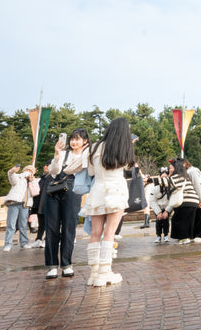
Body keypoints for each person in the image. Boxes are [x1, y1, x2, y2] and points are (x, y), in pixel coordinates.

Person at [80, 117, 135, 286]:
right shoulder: (125, 148)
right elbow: (129, 168)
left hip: (97, 190)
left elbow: (89, 171)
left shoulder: (94, 147)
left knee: (96, 232)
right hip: (116, 190)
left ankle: (94, 274)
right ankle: (105, 273)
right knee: (109, 232)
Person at [43, 130, 88, 279]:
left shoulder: (87, 156)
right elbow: (54, 172)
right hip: (55, 190)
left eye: (77, 139)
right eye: (72, 139)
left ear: (85, 141)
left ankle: (67, 264)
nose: (73, 142)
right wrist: (57, 154)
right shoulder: (64, 154)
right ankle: (52, 266)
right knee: (51, 228)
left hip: (73, 191)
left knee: (69, 228)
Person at [166, 158, 201, 244]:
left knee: (181, 220)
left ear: (176, 169)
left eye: (170, 168)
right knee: (187, 220)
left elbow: (164, 181)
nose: (169, 170)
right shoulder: (184, 176)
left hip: (186, 202)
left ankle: (185, 238)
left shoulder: (177, 177)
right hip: (192, 201)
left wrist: (148, 180)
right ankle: (187, 237)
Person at [2, 164, 34, 252]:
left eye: (31, 171)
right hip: (14, 203)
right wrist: (12, 171)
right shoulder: (19, 178)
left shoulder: (33, 181)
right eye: (27, 170)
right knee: (11, 225)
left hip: (25, 205)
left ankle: (24, 243)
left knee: (23, 225)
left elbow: (36, 191)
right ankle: (7, 244)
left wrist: (32, 181)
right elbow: (12, 177)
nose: (28, 172)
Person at [146, 168, 172, 244]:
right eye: (162, 177)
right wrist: (158, 212)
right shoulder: (155, 187)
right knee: (158, 221)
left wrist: (167, 211)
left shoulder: (171, 187)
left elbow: (172, 200)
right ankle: (158, 236)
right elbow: (152, 200)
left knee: (166, 220)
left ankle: (166, 235)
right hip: (158, 207)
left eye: (165, 177)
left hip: (167, 207)